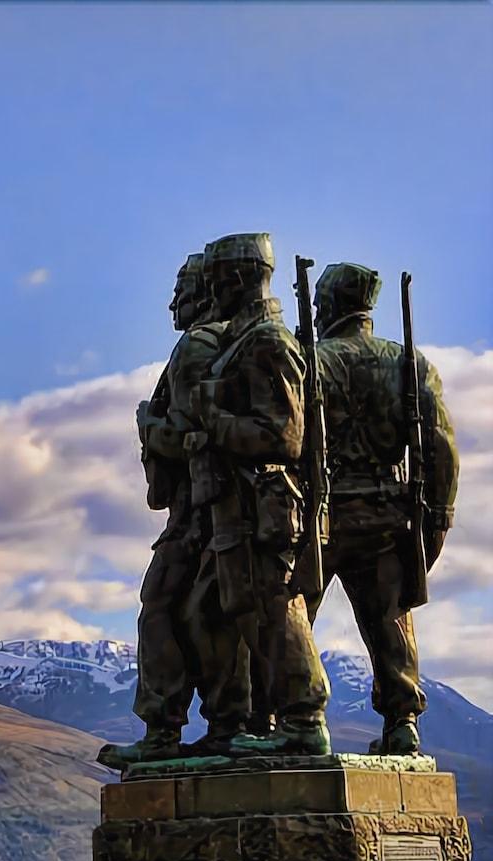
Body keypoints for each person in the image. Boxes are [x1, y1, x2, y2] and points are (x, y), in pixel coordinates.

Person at [185, 232, 329, 757]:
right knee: (209, 613)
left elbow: (283, 437)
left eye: (218, 281)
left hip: (262, 505)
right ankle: (231, 723)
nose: (211, 291)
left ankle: (304, 720)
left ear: (241, 278)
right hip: (233, 507)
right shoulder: (241, 342)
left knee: (275, 610)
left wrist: (213, 421)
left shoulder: (267, 342)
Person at [309, 262, 458, 754]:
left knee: (288, 618)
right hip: (388, 512)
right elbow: (440, 449)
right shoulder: (409, 365)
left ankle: (289, 715)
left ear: (329, 304)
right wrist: (437, 517)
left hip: (321, 515)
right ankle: (402, 722)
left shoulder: (311, 362)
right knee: (391, 622)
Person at [99, 254, 224, 769]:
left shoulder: (197, 347)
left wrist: (147, 426)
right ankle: (224, 724)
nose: (174, 302)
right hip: (213, 508)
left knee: (161, 608)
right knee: (207, 617)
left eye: (183, 290)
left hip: (199, 510)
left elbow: (191, 432)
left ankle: (163, 730)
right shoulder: (229, 344)